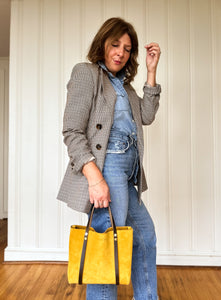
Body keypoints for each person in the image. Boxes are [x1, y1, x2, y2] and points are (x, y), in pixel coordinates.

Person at [57, 17, 161, 300]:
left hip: (128, 177)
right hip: (107, 170)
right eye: (115, 45)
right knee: (106, 253)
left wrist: (151, 72)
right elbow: (72, 131)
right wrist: (95, 178)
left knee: (145, 239)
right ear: (102, 44)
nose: (120, 52)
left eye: (127, 49)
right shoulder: (86, 73)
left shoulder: (125, 88)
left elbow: (147, 116)